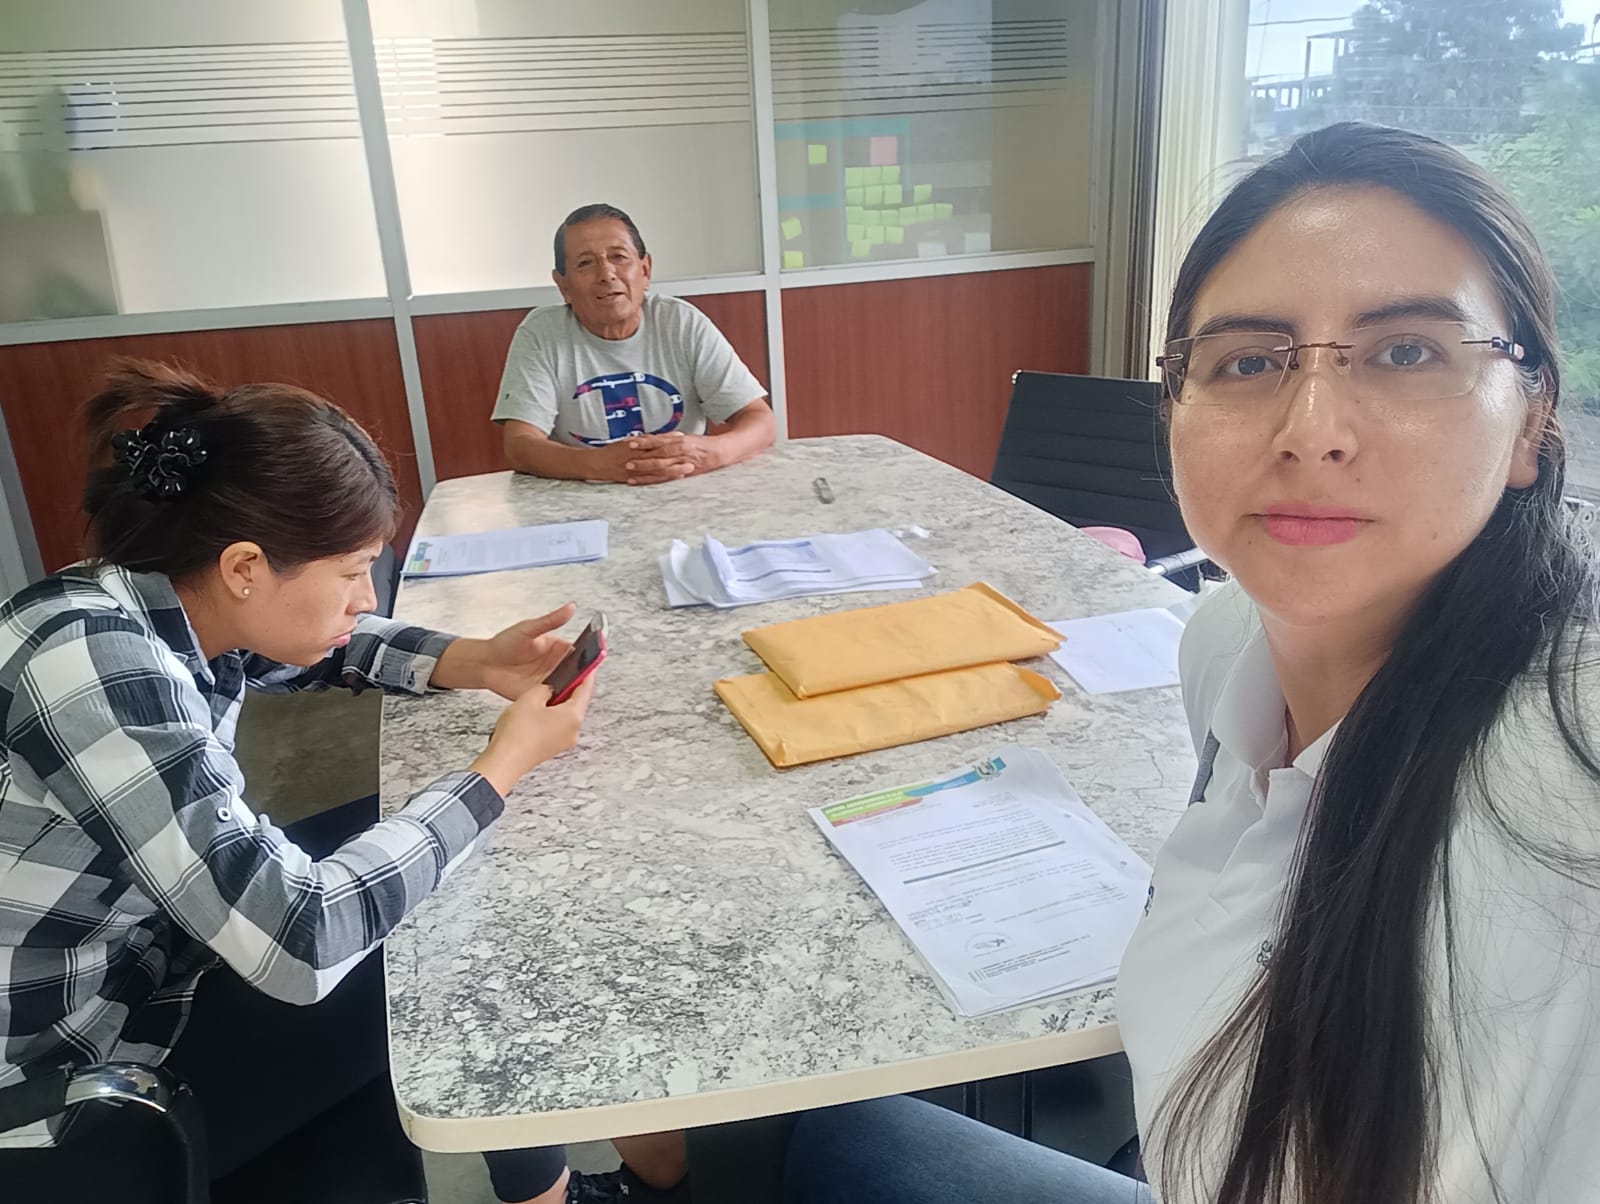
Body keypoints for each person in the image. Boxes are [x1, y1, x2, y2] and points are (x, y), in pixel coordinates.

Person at [784, 121, 1600, 1203]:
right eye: (1249, 361)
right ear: (1171, 411)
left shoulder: (1565, 763)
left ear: (1530, 418)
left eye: (1407, 351)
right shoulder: (1222, 646)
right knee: (817, 1140)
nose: (1311, 429)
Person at [0, 362, 688, 1204]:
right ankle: (558, 1195)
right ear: (245, 566)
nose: (367, 597)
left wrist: (472, 660)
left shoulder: (146, 603)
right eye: (354, 570)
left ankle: (594, 1166)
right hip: (67, 1092)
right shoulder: (96, 673)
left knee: (450, 861)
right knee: (461, 920)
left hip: (151, 966)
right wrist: (496, 771)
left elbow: (318, 646)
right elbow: (303, 937)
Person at [494, 203, 774, 485]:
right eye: (585, 263)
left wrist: (711, 453)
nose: (606, 274)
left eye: (618, 257)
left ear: (645, 270)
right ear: (563, 286)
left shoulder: (681, 322)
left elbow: (760, 420)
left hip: (683, 485)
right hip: (584, 493)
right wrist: (598, 465)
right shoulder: (541, 333)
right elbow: (520, 445)